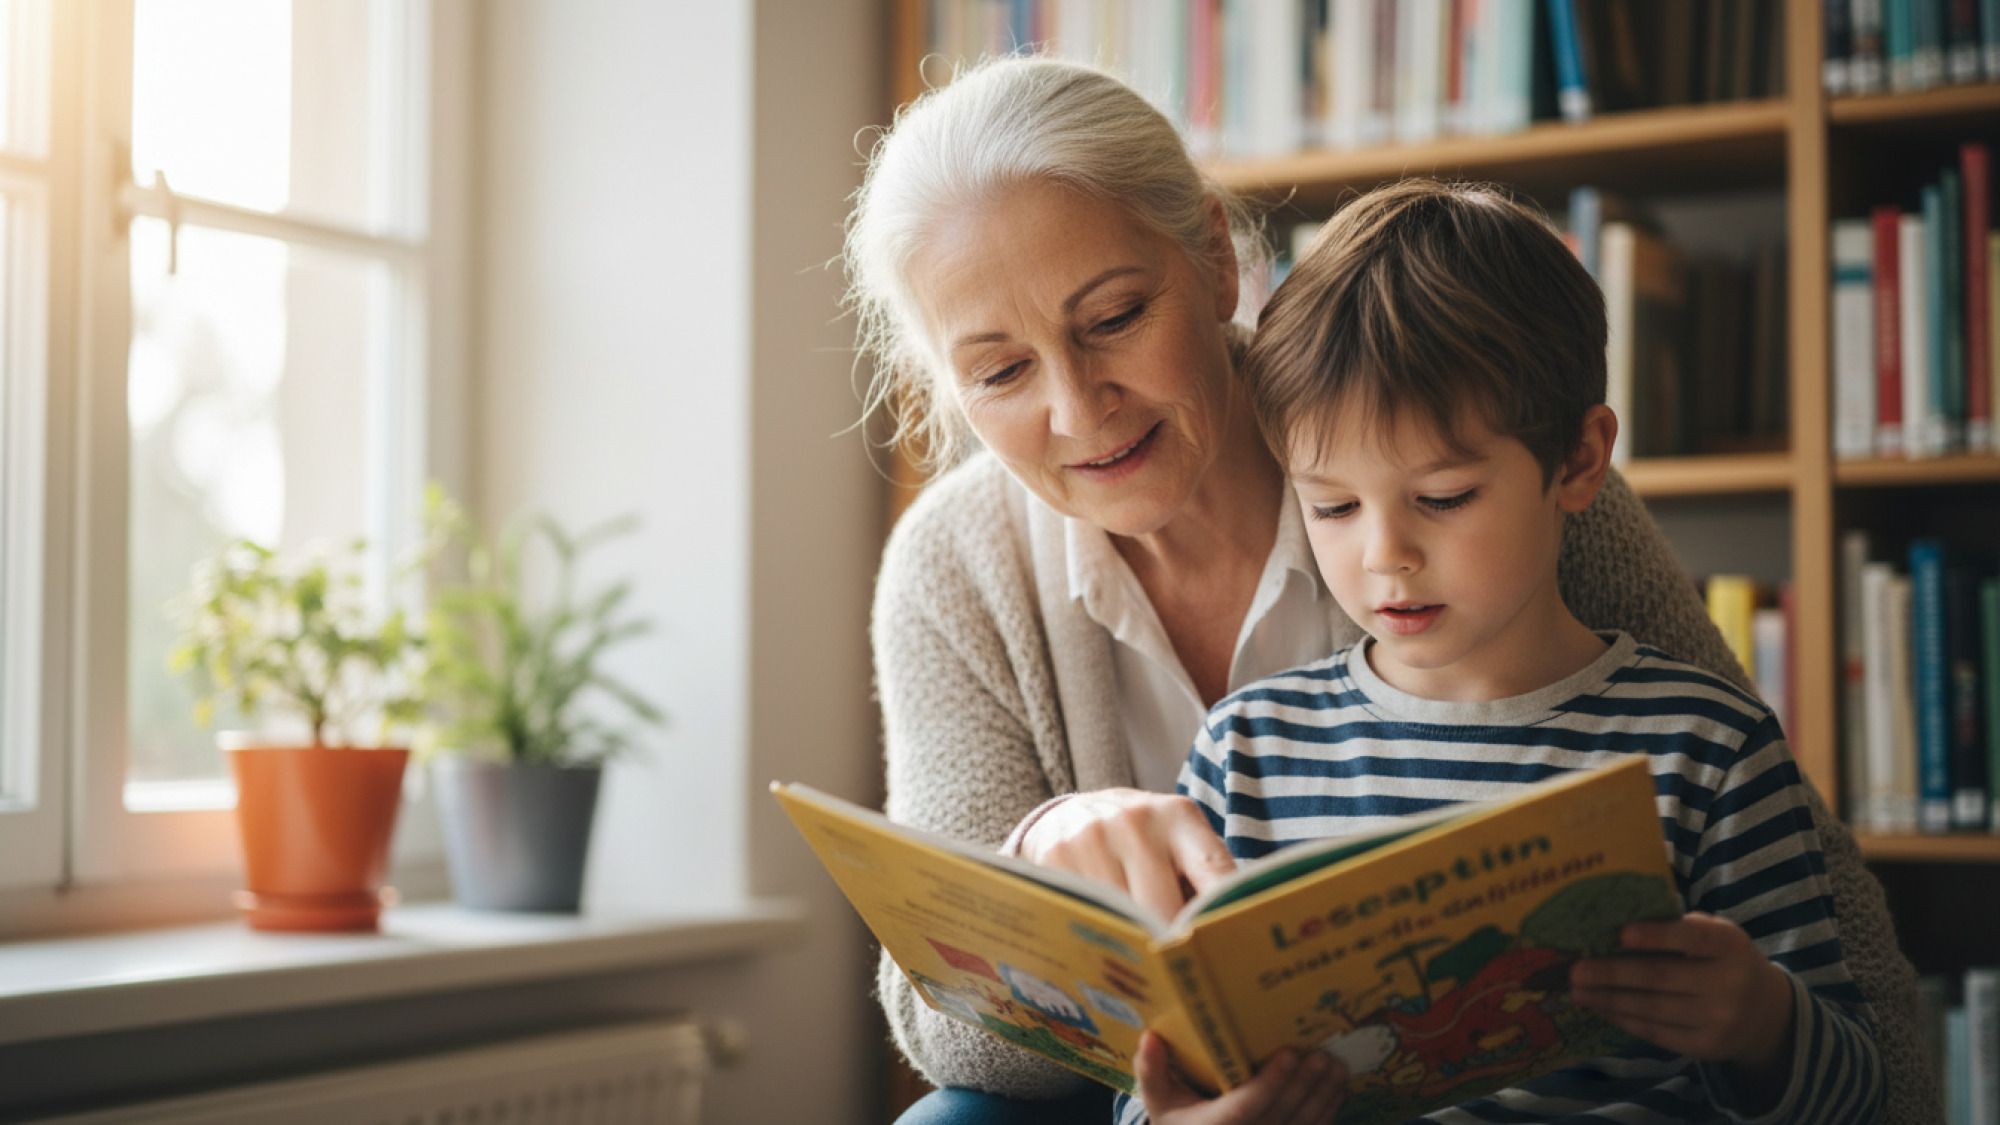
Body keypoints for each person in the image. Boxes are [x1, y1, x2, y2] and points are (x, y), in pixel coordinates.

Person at [842, 54, 1932, 1125]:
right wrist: (1041, 860)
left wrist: (1781, 1033)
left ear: (1216, 262)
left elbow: (1825, 947)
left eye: (1115, 317)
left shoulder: (1455, 442)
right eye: (998, 371)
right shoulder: (957, 569)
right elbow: (952, 1032)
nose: (1079, 411)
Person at [1116, 177, 1884, 1125]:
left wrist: (1763, 1020)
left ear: (1577, 462)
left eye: (1442, 498)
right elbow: (1157, 1080)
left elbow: (1860, 1095)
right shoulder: (1250, 751)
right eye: (1332, 506)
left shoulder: (1706, 748)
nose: (1384, 553)